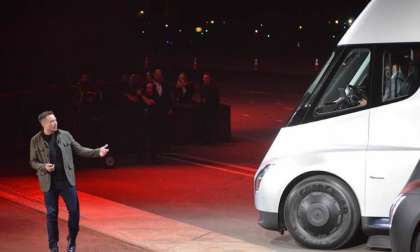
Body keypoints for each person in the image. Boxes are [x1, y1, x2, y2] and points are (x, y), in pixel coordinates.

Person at [29, 111, 109, 252]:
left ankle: (72, 241)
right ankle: (53, 246)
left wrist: (97, 152)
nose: (55, 123)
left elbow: (79, 150)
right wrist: (43, 166)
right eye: (51, 121)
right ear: (43, 124)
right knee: (52, 214)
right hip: (49, 183)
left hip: (66, 181)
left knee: (74, 212)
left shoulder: (65, 135)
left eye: (55, 120)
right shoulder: (35, 140)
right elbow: (33, 161)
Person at [200, 73, 220, 143]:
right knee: (205, 124)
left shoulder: (214, 88)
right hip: (204, 109)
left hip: (211, 109)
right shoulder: (202, 87)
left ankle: (211, 139)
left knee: (211, 125)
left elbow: (216, 99)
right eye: (203, 78)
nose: (204, 80)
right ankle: (205, 138)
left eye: (205, 78)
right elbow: (202, 97)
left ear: (209, 79)